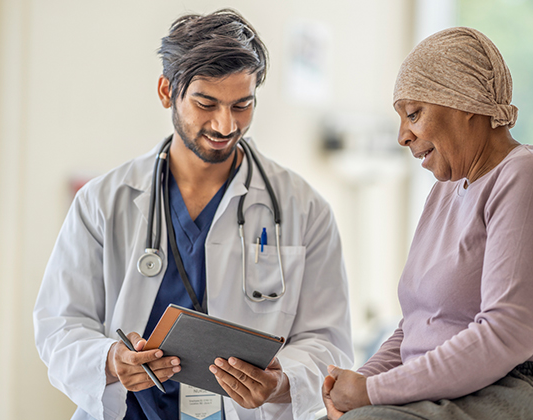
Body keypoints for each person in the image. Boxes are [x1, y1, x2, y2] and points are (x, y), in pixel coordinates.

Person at [33, 9, 353, 420]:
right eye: (206, 103)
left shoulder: (304, 208)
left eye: (243, 105)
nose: (225, 124)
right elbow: (61, 324)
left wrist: (281, 382)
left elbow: (329, 340)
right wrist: (112, 361)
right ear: (167, 91)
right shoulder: (104, 202)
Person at [322, 27, 533, 419]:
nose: (402, 136)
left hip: (529, 384)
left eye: (413, 114)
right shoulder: (444, 192)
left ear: (466, 103)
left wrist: (372, 393)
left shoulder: (529, 176)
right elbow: (415, 326)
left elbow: (507, 334)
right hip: (457, 390)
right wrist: (352, 386)